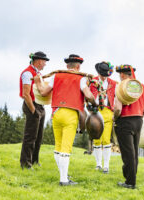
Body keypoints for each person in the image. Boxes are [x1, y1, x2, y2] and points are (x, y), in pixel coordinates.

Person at [34, 54, 97, 186]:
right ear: (78, 66)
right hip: (70, 113)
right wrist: (93, 100)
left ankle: (63, 174)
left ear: (67, 65)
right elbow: (88, 95)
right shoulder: (80, 78)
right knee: (66, 148)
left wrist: (38, 82)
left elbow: (43, 92)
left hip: (56, 113)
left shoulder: (56, 76)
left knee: (58, 146)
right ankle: (63, 179)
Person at [114, 65, 144, 189]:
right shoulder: (141, 86)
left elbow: (117, 108)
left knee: (127, 153)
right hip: (138, 120)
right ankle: (131, 177)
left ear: (122, 75)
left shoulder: (121, 86)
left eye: (119, 74)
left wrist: (114, 118)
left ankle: (130, 182)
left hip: (125, 120)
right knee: (134, 152)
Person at [19, 51, 49, 169]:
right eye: (44, 61)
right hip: (32, 105)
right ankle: (26, 164)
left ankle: (34, 160)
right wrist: (33, 110)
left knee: (39, 136)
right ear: (39, 61)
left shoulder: (38, 74)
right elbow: (26, 94)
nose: (45, 64)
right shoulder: (27, 73)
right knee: (30, 136)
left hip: (40, 106)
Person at [90, 62, 117, 174]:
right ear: (98, 73)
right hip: (96, 111)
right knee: (96, 139)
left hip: (108, 111)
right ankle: (98, 164)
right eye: (102, 74)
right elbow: (90, 95)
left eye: (106, 74)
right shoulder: (93, 81)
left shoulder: (114, 83)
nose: (104, 76)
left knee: (106, 139)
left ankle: (106, 165)